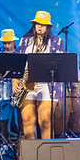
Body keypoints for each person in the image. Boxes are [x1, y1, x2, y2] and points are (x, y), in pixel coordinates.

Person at [15, 11, 65, 139]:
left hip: (47, 85)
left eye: (43, 24)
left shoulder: (56, 41)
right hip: (28, 84)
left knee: (45, 120)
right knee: (27, 119)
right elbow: (16, 62)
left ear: (48, 27)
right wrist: (15, 80)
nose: (40, 27)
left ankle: (46, 155)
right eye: (37, 24)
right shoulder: (25, 41)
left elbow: (61, 64)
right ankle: (32, 156)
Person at [0, 29, 19, 140]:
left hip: (16, 91)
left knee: (17, 119)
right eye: (4, 43)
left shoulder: (19, 54)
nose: (6, 46)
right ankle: (3, 143)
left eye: (8, 43)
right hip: (2, 91)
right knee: (3, 119)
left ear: (14, 42)